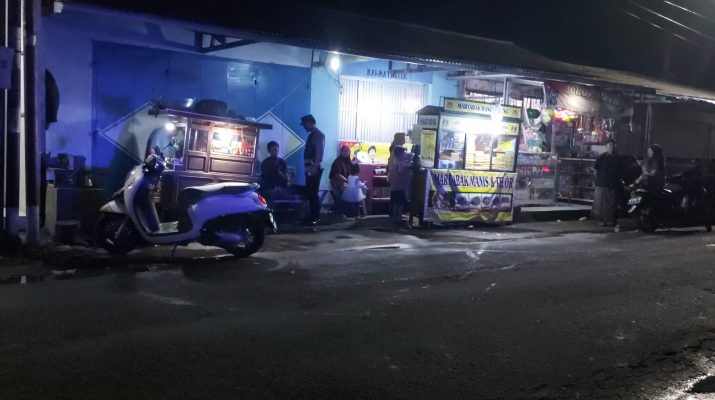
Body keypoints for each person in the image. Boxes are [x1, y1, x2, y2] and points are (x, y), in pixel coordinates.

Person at [300, 114, 325, 225]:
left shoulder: (318, 135)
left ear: (310, 123)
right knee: (310, 193)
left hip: (313, 167)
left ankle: (315, 217)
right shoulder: (313, 134)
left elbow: (319, 154)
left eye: (304, 125)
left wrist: (314, 168)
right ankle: (312, 216)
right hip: (310, 167)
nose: (304, 127)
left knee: (313, 193)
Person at [593, 138, 620, 229]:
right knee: (602, 204)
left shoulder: (617, 158)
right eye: (610, 145)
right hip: (603, 184)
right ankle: (602, 221)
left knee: (612, 204)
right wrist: (598, 181)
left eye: (613, 145)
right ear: (606, 146)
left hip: (613, 184)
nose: (612, 147)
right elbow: (595, 170)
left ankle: (611, 221)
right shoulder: (601, 158)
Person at [389, 145, 413, 230]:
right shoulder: (399, 163)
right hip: (399, 187)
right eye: (403, 153)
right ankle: (398, 219)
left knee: (395, 203)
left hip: (394, 186)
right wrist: (409, 162)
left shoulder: (394, 161)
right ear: (400, 154)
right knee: (400, 204)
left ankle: (395, 219)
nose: (404, 154)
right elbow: (402, 169)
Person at [408, 145, 423, 229]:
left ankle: (412, 221)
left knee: (415, 202)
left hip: (415, 182)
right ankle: (411, 221)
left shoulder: (414, 158)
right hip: (416, 182)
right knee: (415, 201)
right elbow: (414, 167)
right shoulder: (415, 158)